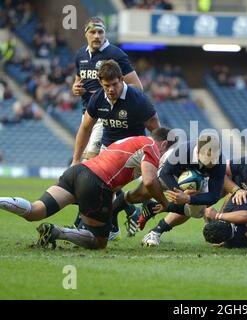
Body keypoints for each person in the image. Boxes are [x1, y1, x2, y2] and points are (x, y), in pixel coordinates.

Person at [0, 129, 174, 250]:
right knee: (99, 241)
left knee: (35, 211)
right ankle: (56, 232)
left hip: (77, 172)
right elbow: (150, 182)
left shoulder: (133, 140)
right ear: (165, 144)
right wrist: (164, 203)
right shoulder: (151, 147)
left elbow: (139, 189)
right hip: (96, 183)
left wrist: (129, 198)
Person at [71, 17, 147, 237]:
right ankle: (125, 211)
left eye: (100, 33)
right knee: (103, 174)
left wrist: (109, 96)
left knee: (91, 172)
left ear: (105, 34)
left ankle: (86, 223)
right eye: (93, 32)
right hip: (89, 115)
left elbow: (137, 86)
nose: (97, 36)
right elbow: (78, 82)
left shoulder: (116, 55)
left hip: (107, 119)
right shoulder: (80, 56)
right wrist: (76, 88)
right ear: (86, 33)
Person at [138, 133, 226, 246]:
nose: (213, 162)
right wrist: (179, 192)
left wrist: (188, 198)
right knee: (148, 186)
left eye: (215, 157)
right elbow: (165, 173)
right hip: (169, 169)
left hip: (194, 178)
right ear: (198, 153)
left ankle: (153, 207)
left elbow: (214, 196)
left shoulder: (219, 162)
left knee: (197, 212)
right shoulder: (183, 151)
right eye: (208, 158)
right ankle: (127, 206)